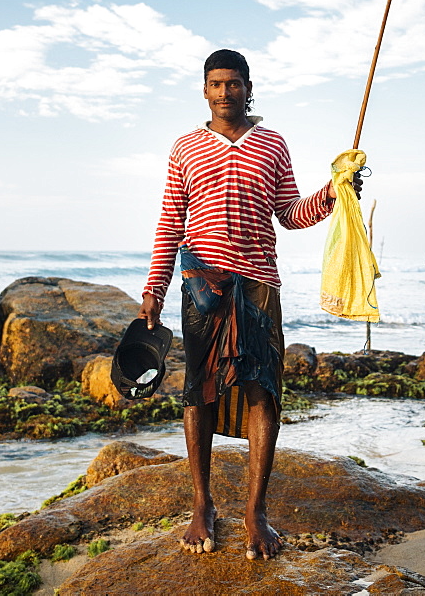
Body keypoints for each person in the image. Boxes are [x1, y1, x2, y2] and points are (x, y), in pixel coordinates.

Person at [138, 49, 361, 561]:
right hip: (202, 283)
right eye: (215, 84)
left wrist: (335, 193)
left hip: (259, 285)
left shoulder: (272, 144)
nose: (224, 93)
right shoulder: (186, 149)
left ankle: (255, 513)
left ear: (248, 87)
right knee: (200, 392)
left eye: (233, 84)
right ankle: (202, 505)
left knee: (263, 393)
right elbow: (171, 223)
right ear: (204, 91)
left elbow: (290, 213)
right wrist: (154, 288)